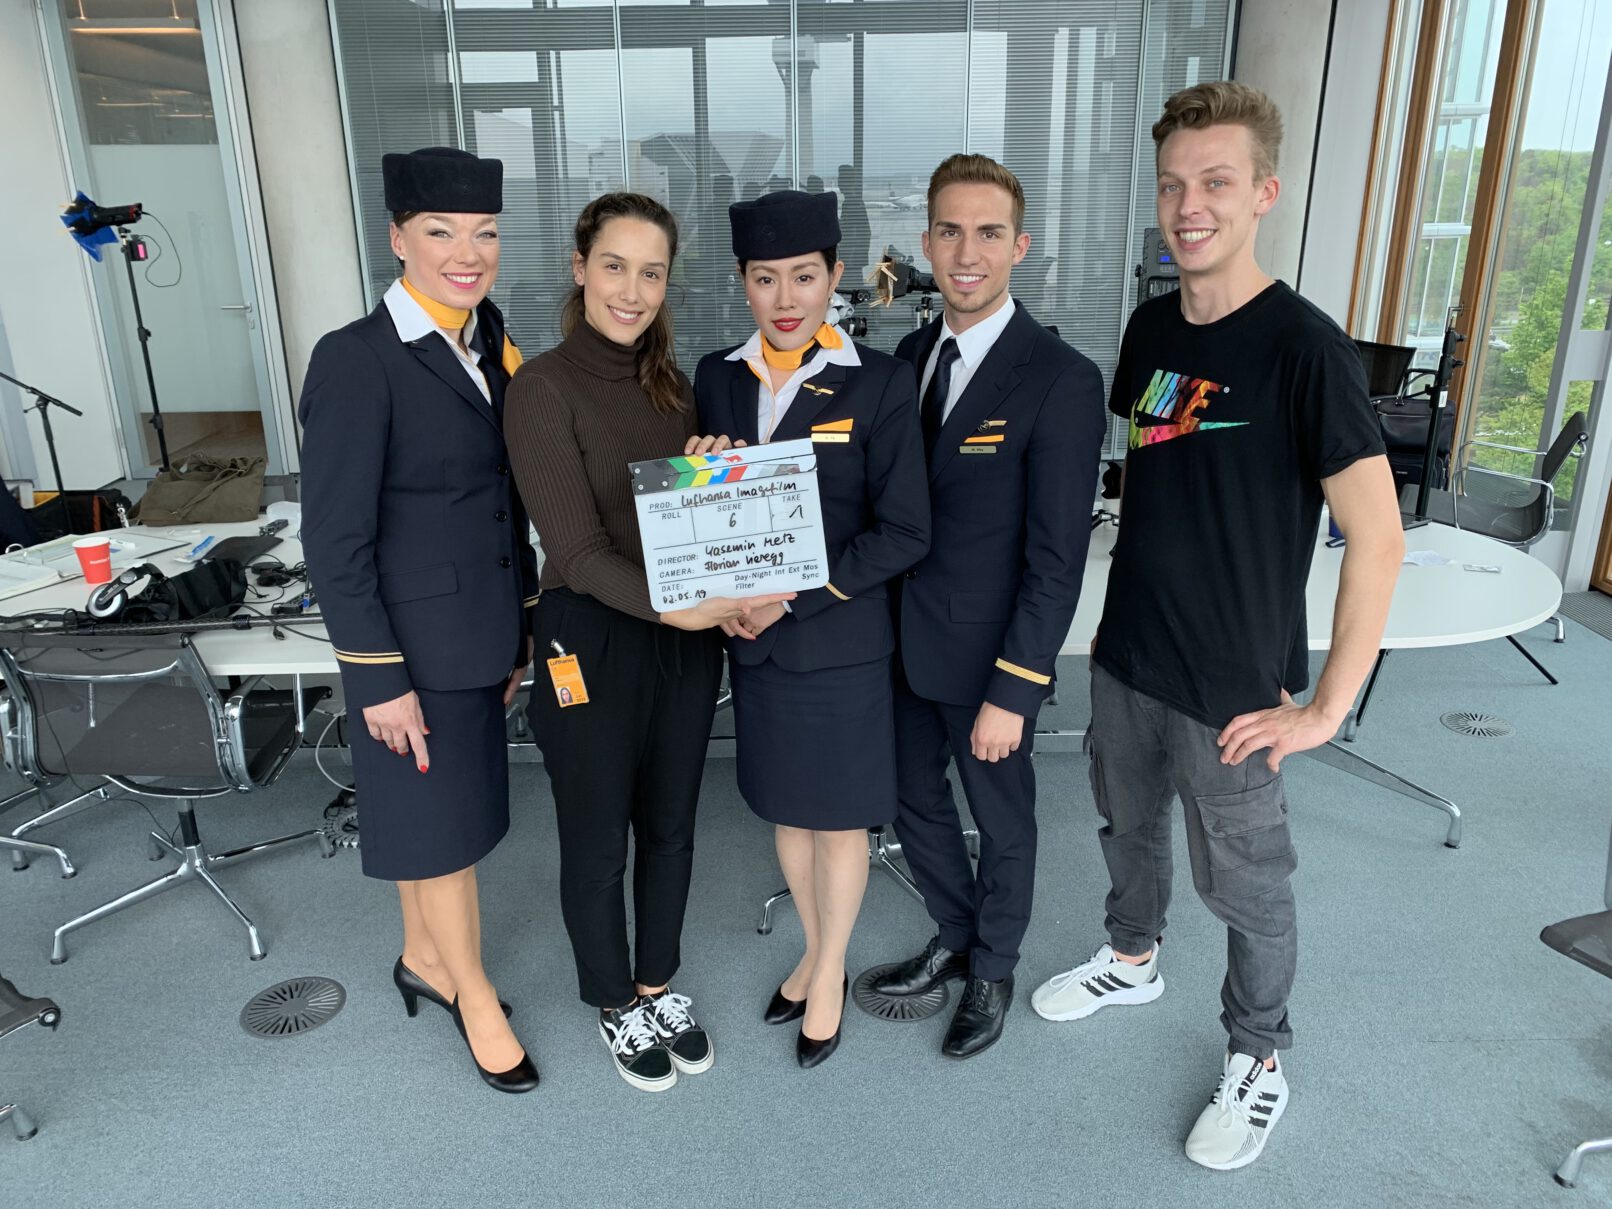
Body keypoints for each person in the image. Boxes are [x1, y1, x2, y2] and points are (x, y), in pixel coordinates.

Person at [1030, 82, 1404, 1170]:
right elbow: (1157, 479)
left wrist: (1326, 707)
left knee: (1247, 881)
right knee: (1126, 828)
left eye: (1216, 183)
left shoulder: (1306, 350)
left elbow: (1377, 537)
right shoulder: (1150, 329)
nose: (1189, 206)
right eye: (1173, 185)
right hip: (1128, 654)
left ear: (1263, 194)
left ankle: (1258, 1055)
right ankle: (1131, 957)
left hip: (1236, 683)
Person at [504, 192, 791, 1094]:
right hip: (591, 640)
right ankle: (612, 999)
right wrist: (681, 609)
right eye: (615, 266)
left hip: (681, 640)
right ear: (580, 268)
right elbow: (580, 550)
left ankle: (657, 983)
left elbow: (679, 528)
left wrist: (710, 476)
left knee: (671, 827)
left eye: (652, 273)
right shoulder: (540, 388)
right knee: (598, 839)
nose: (631, 290)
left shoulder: (673, 388)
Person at [299, 147, 539, 1094]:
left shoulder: (485, 341)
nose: (467, 253)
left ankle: (422, 957)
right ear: (397, 238)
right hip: (408, 648)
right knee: (444, 835)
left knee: (428, 820)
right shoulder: (357, 358)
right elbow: (335, 540)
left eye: (484, 233)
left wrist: (521, 624)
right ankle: (473, 996)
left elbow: (501, 499)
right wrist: (378, 678)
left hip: (478, 630)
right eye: (441, 232)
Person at [871, 153, 1106, 1059]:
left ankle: (995, 965)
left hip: (988, 655)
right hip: (898, 642)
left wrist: (1017, 685)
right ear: (926, 242)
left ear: (1020, 246)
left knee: (1002, 818)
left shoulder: (1060, 377)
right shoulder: (908, 357)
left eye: (989, 233)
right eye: (950, 231)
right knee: (909, 796)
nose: (967, 253)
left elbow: (1057, 557)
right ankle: (957, 933)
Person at [695, 190, 931, 1068]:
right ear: (743, 283)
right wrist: (702, 477)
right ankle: (812, 949)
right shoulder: (717, 376)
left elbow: (904, 531)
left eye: (804, 275)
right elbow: (707, 514)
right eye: (766, 278)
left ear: (835, 276)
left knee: (838, 822)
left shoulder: (879, 381)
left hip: (839, 645)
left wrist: (792, 597)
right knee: (788, 811)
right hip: (753, 645)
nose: (786, 297)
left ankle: (827, 970)